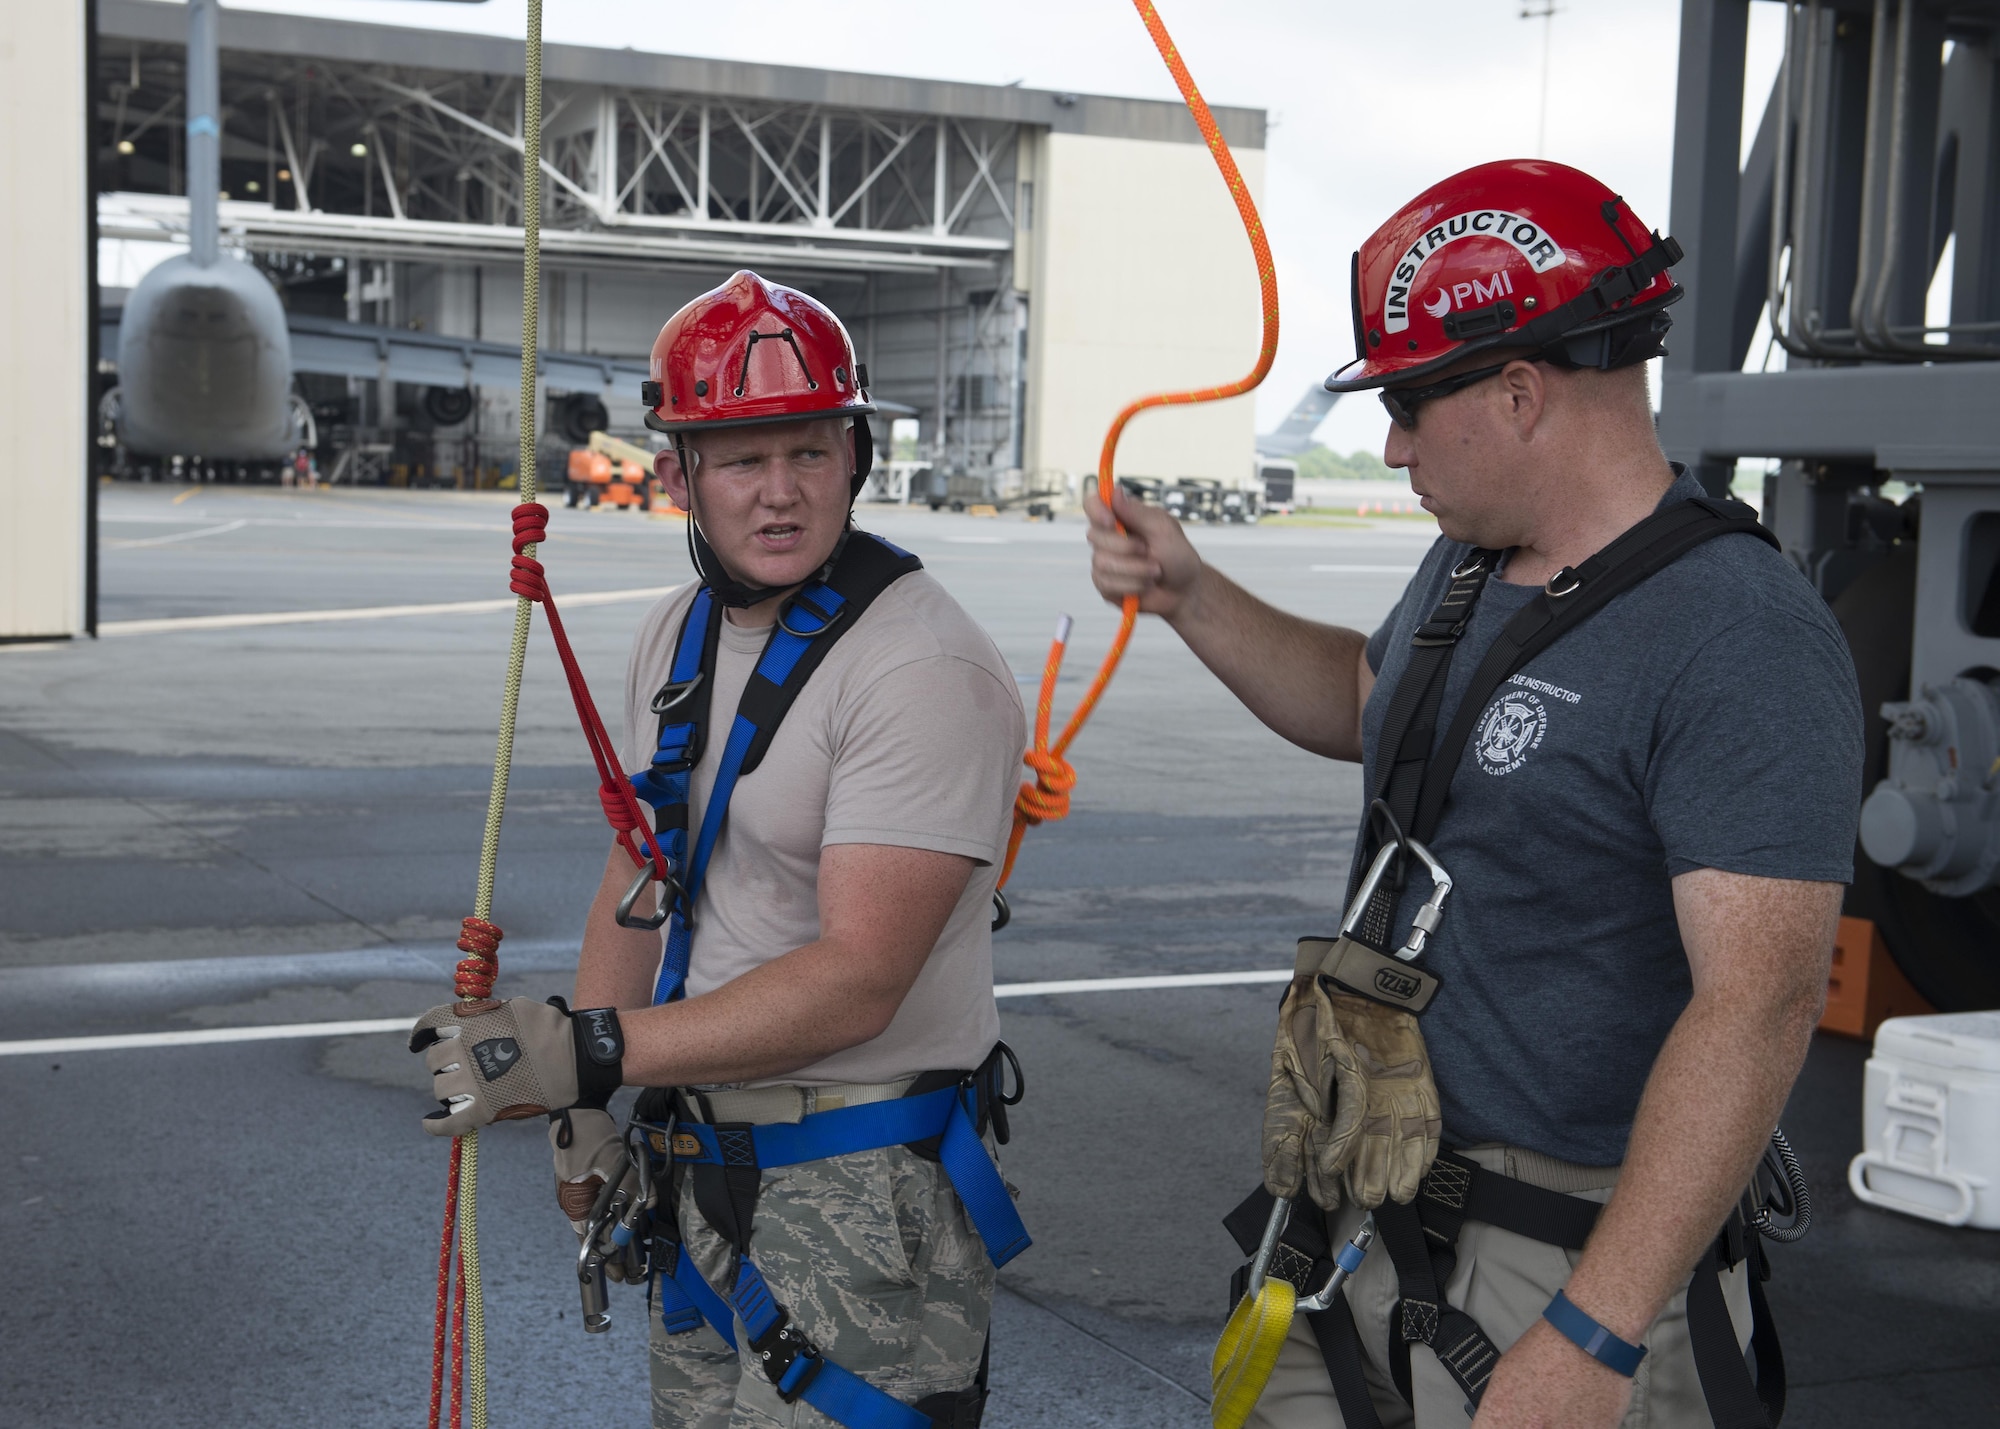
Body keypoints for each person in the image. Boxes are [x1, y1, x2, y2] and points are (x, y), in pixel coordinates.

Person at [1087, 161, 1863, 1428]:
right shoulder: (1469, 565)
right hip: (1368, 1210)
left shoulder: (1737, 634)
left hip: (1567, 1258)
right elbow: (1370, 705)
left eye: (1407, 405)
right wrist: (1188, 594)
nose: (1389, 446)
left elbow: (1757, 1004)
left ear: (1516, 392)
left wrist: (1588, 1339)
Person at [410, 270, 1029, 1429]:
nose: (780, 493)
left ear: (856, 453)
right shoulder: (677, 634)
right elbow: (635, 873)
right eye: (743, 460)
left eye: (809, 451)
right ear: (684, 472)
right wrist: (590, 1111)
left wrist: (592, 1050)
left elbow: (857, 977)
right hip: (698, 1163)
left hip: (855, 1175)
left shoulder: (920, 667)